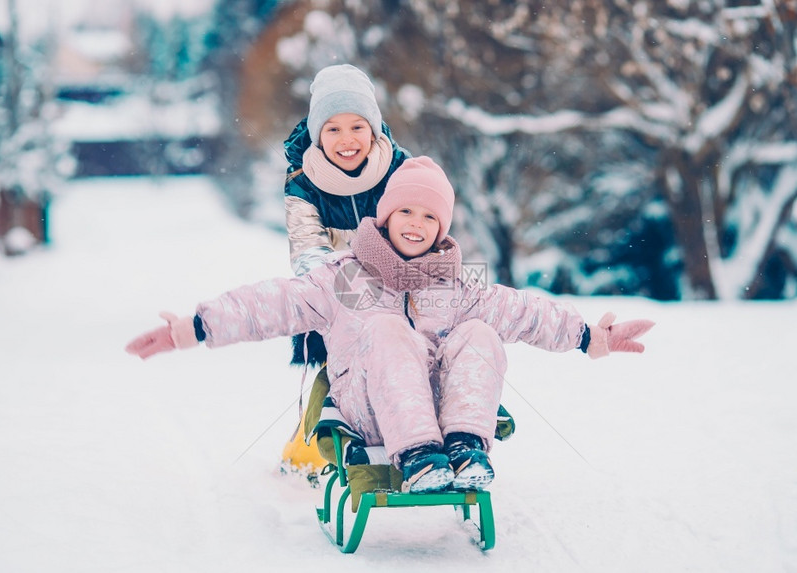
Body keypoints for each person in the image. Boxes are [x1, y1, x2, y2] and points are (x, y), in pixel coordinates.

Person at [125, 157, 655, 494]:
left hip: (446, 409)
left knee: (483, 331)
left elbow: (524, 312)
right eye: (407, 213)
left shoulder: (458, 285)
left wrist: (590, 337)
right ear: (385, 216)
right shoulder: (346, 278)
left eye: (430, 218)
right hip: (371, 409)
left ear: (442, 227)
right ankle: (420, 455)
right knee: (383, 329)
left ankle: (467, 447)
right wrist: (195, 327)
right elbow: (272, 304)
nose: (417, 225)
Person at [284, 63, 410, 366]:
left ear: (373, 129)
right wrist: (351, 298)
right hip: (337, 299)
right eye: (333, 129)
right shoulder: (302, 183)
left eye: (357, 127)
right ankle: (331, 401)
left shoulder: (402, 169)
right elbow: (308, 250)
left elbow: (421, 235)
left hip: (401, 290)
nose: (347, 140)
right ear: (318, 135)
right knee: (345, 371)